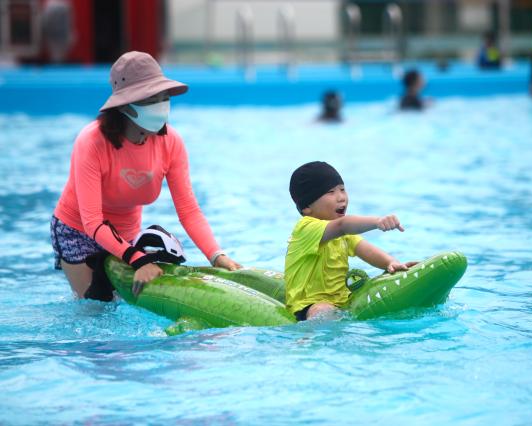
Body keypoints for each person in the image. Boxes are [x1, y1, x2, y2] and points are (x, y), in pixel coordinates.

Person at [50, 51, 241, 299]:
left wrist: (216, 255)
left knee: (120, 304)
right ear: (125, 105)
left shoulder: (171, 143)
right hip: (77, 230)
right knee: (95, 307)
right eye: (151, 98)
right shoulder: (91, 142)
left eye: (164, 96)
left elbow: (189, 211)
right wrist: (138, 259)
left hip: (125, 233)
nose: (162, 104)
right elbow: (92, 222)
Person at [285, 161, 416, 321]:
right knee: (323, 310)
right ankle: (307, 340)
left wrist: (391, 262)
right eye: (331, 192)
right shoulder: (306, 228)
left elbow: (366, 250)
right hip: (308, 304)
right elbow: (343, 225)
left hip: (343, 301)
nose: (341, 197)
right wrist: (377, 221)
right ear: (307, 207)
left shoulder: (344, 234)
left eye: (342, 189)